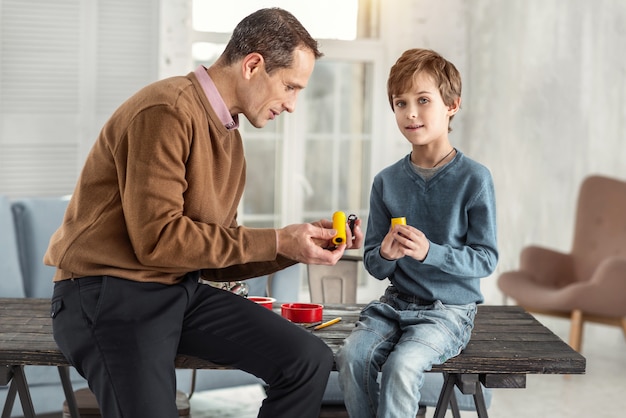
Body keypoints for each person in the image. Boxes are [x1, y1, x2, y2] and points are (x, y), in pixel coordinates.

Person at [44, 8, 363, 418]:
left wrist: (295, 248)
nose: (292, 105)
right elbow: (158, 242)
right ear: (253, 64)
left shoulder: (229, 138)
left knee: (306, 361)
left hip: (176, 290)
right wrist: (279, 239)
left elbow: (209, 256)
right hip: (108, 294)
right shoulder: (166, 111)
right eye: (289, 87)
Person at [336, 48, 498, 417]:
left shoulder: (475, 178)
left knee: (402, 366)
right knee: (351, 355)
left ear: (452, 105)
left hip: (449, 311)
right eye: (400, 102)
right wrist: (388, 255)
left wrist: (431, 252)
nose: (410, 112)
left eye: (423, 100)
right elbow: (375, 264)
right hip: (395, 304)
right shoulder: (386, 181)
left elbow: (486, 258)